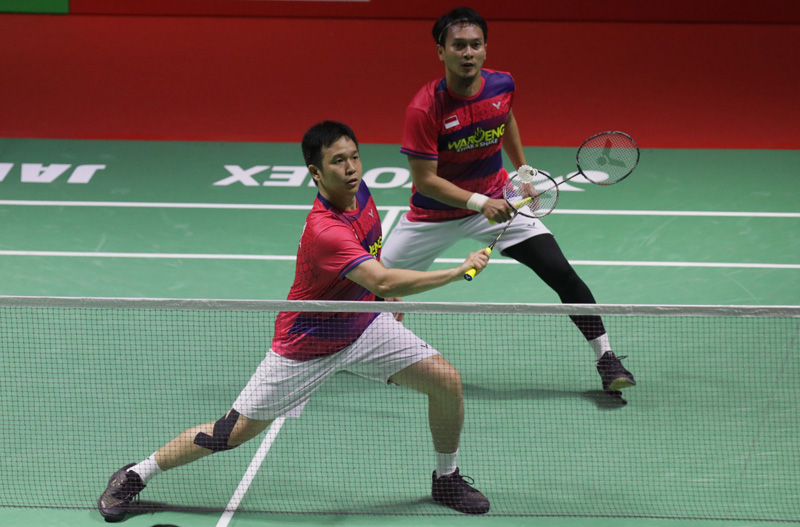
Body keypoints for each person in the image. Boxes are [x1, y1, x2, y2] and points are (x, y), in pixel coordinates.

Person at [97, 121, 491, 522]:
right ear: (316, 173)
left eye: (355, 157)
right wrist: (455, 273)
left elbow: (374, 261)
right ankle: (135, 474)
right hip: (308, 346)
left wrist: (380, 296)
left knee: (446, 382)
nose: (352, 168)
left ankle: (446, 477)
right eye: (338, 161)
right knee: (230, 433)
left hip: (362, 325)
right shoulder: (325, 231)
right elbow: (380, 275)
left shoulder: (361, 194)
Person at [380, 7, 636, 397]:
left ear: (485, 50)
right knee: (374, 284)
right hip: (433, 216)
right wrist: (480, 201)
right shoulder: (424, 108)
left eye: (475, 45)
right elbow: (425, 182)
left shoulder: (502, 85)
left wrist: (523, 172)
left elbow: (506, 119)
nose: (468, 53)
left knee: (560, 270)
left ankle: (606, 357)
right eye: (458, 46)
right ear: (441, 52)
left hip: (498, 201)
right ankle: (345, 344)